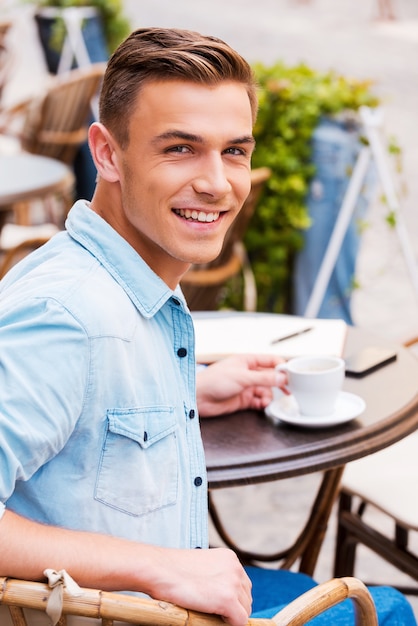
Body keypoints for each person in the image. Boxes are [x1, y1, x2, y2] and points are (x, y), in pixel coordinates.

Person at [0, 27, 415, 626]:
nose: (218, 183)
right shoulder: (65, 315)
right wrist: (158, 567)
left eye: (235, 151)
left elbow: (79, 398)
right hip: (144, 609)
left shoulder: (124, 284)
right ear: (107, 153)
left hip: (168, 596)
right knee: (388, 607)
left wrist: (188, 388)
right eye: (179, 149)